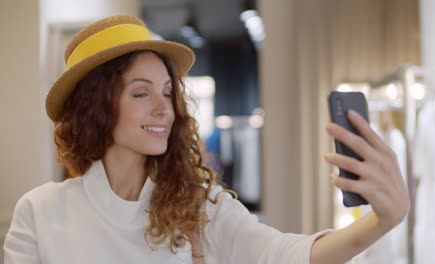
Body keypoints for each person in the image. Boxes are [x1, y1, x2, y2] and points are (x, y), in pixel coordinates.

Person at [3, 15, 409, 264]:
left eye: (167, 92)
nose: (165, 110)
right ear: (96, 108)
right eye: (141, 93)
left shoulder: (197, 207)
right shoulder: (39, 214)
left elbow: (283, 255)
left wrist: (382, 221)